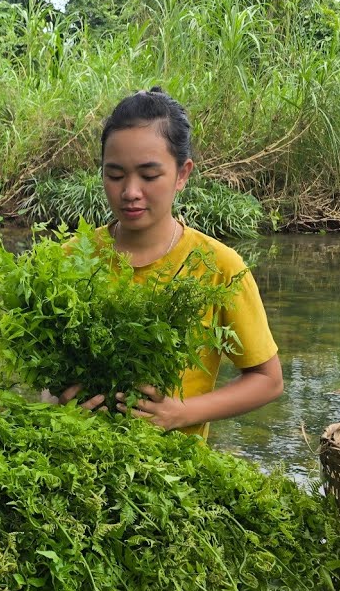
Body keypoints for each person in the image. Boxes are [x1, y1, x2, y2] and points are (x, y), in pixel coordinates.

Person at [64, 87, 283, 439]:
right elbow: (45, 368)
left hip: (175, 474)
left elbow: (267, 380)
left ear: (182, 174)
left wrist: (180, 413)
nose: (130, 191)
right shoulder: (72, 257)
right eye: (115, 175)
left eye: (149, 176)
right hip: (79, 458)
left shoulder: (219, 267)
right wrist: (57, 395)